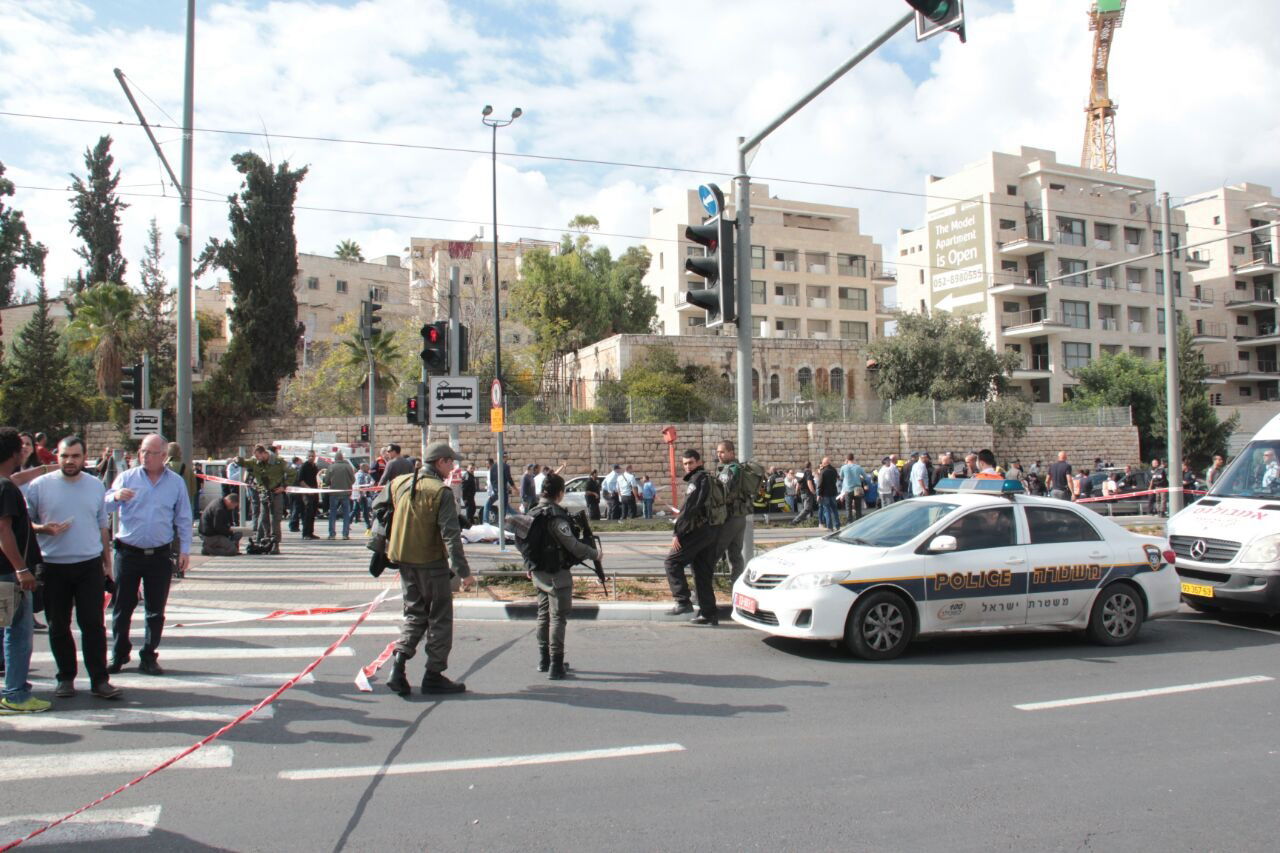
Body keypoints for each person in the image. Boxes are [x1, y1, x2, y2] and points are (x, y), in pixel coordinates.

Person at [25, 436, 121, 700]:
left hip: (89, 565)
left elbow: (102, 525)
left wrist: (107, 564)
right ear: (57, 456)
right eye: (65, 456)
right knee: (58, 625)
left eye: (75, 456)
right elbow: (25, 523)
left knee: (93, 624)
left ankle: (99, 680)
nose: (69, 461)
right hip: (53, 566)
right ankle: (65, 678)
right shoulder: (39, 486)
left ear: (84, 457)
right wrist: (43, 529)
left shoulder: (94, 486)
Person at [378, 441, 474, 696]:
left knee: (414, 614)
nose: (453, 466)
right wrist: (464, 572)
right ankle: (434, 674)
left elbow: (378, 507)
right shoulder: (440, 492)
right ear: (440, 462)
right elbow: (450, 537)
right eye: (450, 461)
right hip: (431, 563)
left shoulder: (400, 482)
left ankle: (398, 666)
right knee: (440, 618)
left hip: (404, 560)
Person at [104, 433, 192, 677]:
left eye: (151, 452)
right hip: (128, 552)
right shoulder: (127, 477)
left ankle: (149, 655)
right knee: (122, 607)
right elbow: (103, 505)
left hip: (159, 555)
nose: (145, 456)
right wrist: (115, 496)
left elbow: (184, 518)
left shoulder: (174, 483)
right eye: (142, 451)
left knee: (155, 609)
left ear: (164, 456)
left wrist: (185, 550)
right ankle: (119, 653)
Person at [521, 473, 602, 680]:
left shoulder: (532, 512)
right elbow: (572, 545)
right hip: (556, 573)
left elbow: (523, 543)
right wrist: (595, 554)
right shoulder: (556, 516)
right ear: (559, 492)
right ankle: (556, 665)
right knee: (558, 618)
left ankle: (543, 660)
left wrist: (528, 564)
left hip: (538, 572)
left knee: (543, 615)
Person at [0, 427, 52, 713]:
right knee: (18, 634)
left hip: (6, 573)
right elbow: (4, 530)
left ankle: (14, 689)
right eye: (20, 448)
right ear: (13, 453)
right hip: (10, 573)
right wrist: (22, 569)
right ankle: (16, 693)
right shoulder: (5, 487)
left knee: (8, 631)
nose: (24, 452)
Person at [664, 449, 724, 625]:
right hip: (712, 530)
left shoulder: (697, 481)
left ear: (699, 462)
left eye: (690, 462)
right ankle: (709, 613)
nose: (687, 466)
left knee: (672, 562)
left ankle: (682, 601)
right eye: (685, 464)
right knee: (701, 571)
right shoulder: (709, 478)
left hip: (699, 530)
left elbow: (689, 509)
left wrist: (678, 533)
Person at [237, 445, 292, 552]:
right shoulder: (256, 461)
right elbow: (245, 463)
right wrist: (238, 460)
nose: (257, 459)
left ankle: (275, 543)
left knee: (275, 520)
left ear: (263, 453)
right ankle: (266, 540)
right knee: (264, 519)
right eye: (256, 457)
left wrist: (283, 487)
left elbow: (292, 473)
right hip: (263, 493)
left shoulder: (278, 462)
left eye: (258, 456)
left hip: (275, 493)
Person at [715, 440, 756, 580]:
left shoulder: (730, 469)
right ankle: (737, 588)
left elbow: (721, 491)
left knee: (713, 553)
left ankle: (701, 592)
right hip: (739, 516)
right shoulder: (738, 467)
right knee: (735, 555)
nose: (719, 455)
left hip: (729, 517)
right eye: (718, 452)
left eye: (722, 452)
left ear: (731, 453)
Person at [325, 450, 357, 540]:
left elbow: (326, 481)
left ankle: (332, 534)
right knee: (346, 514)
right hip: (346, 493)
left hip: (334, 493)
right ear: (342, 458)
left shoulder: (331, 467)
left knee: (332, 514)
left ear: (335, 458)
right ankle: (345, 534)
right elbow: (353, 480)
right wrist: (347, 484)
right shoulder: (348, 467)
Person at [166, 441, 198, 517]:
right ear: (179, 453)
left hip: (168, 509)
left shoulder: (164, 468)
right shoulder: (188, 469)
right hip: (184, 508)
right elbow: (194, 490)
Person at [295, 451, 320, 539]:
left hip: (314, 492)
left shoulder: (315, 466)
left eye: (312, 456)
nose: (311, 457)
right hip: (306, 493)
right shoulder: (304, 466)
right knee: (307, 513)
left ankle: (311, 532)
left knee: (313, 513)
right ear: (307, 457)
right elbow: (301, 480)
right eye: (309, 456)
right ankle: (305, 533)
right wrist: (308, 489)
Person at [838, 454, 869, 522]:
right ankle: (858, 522)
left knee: (848, 507)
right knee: (858, 508)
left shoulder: (844, 467)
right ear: (853, 458)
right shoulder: (858, 467)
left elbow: (841, 477)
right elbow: (865, 476)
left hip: (848, 489)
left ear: (847, 459)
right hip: (857, 489)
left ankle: (849, 522)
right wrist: (859, 478)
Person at [485, 457, 514, 524]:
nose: (486, 465)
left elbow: (491, 483)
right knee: (506, 507)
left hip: (496, 491)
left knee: (504, 507)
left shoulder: (493, 469)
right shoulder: (495, 469)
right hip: (497, 491)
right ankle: (500, 521)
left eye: (487, 464)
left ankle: (488, 521)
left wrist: (492, 492)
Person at [355, 462, 375, 529]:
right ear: (363, 468)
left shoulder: (362, 474)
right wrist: (361, 495)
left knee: (356, 509)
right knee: (365, 510)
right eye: (367, 467)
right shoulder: (361, 475)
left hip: (361, 494)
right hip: (362, 495)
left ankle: (349, 521)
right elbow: (361, 486)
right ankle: (368, 525)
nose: (368, 468)